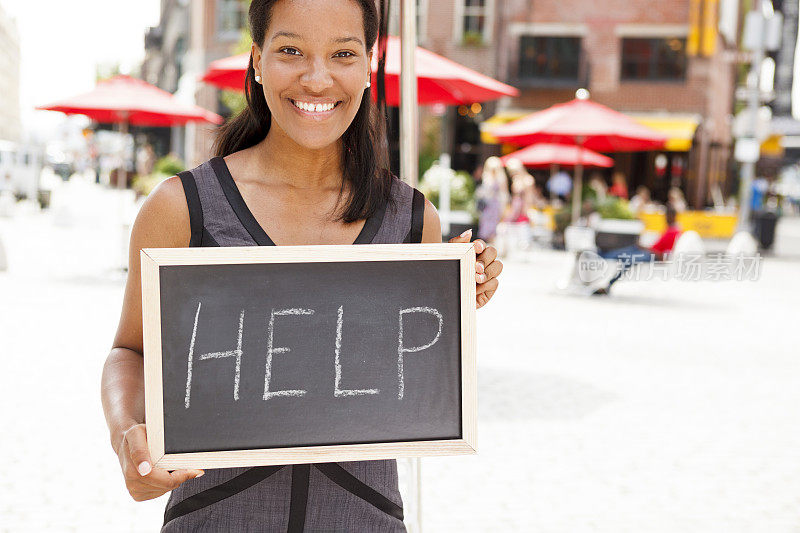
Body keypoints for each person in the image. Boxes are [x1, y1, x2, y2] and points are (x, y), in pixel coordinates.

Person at [100, 1, 503, 531]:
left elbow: (416, 376)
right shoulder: (181, 208)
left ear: (367, 66)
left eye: (343, 54)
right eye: (291, 50)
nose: (317, 79)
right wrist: (129, 433)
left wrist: (458, 290)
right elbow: (129, 351)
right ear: (258, 59)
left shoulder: (410, 219)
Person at [591, 204, 681, 295]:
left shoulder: (673, 232)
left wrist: (644, 248)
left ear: (672, 216)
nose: (666, 218)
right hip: (650, 252)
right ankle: (606, 265)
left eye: (667, 216)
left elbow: (664, 255)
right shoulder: (670, 230)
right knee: (627, 252)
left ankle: (608, 280)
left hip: (653, 255)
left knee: (628, 258)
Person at [475, 155, 509, 241]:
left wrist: (504, 207)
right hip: (487, 206)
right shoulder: (486, 176)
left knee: (495, 228)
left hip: (495, 206)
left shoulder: (501, 178)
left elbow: (504, 194)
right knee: (486, 227)